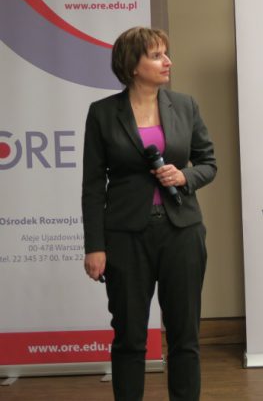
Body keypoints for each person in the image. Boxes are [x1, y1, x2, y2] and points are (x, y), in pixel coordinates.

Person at [82, 26, 217, 401]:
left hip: (182, 233)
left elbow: (208, 163)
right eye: (157, 55)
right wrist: (95, 246)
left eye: (166, 54)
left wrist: (185, 176)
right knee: (129, 337)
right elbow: (92, 186)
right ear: (133, 65)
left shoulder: (185, 106)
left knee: (185, 337)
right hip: (125, 237)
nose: (167, 61)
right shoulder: (102, 113)